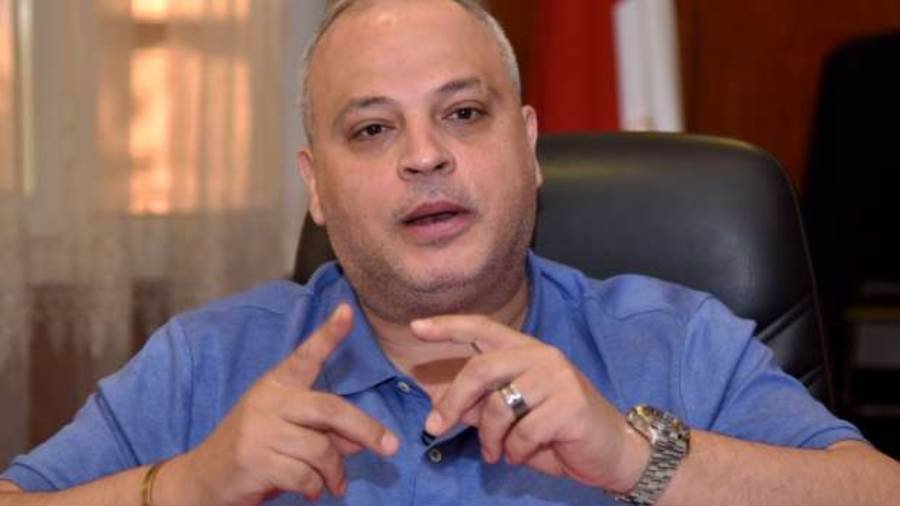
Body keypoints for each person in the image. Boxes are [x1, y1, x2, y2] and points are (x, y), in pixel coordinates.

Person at [2, 0, 899, 504]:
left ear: (529, 146)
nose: (424, 156)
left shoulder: (675, 340)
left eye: (464, 114)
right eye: (372, 128)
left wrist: (634, 458)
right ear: (315, 186)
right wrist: (190, 485)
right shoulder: (211, 361)